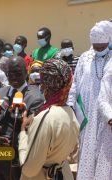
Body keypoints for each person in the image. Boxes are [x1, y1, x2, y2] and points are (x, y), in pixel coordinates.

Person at [18, 59, 79, 180]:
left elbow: (29, 169)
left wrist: (24, 133)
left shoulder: (46, 118)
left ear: (45, 85)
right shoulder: (70, 113)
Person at [0, 56, 44, 180]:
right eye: (10, 74)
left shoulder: (35, 97)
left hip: (17, 160)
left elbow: (33, 130)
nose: (14, 77)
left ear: (26, 72)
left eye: (18, 73)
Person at [67, 22, 112, 180]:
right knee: (86, 156)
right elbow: (75, 84)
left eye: (102, 46)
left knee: (105, 159)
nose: (98, 49)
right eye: (96, 46)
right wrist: (71, 107)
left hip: (107, 120)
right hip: (86, 116)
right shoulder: (85, 58)